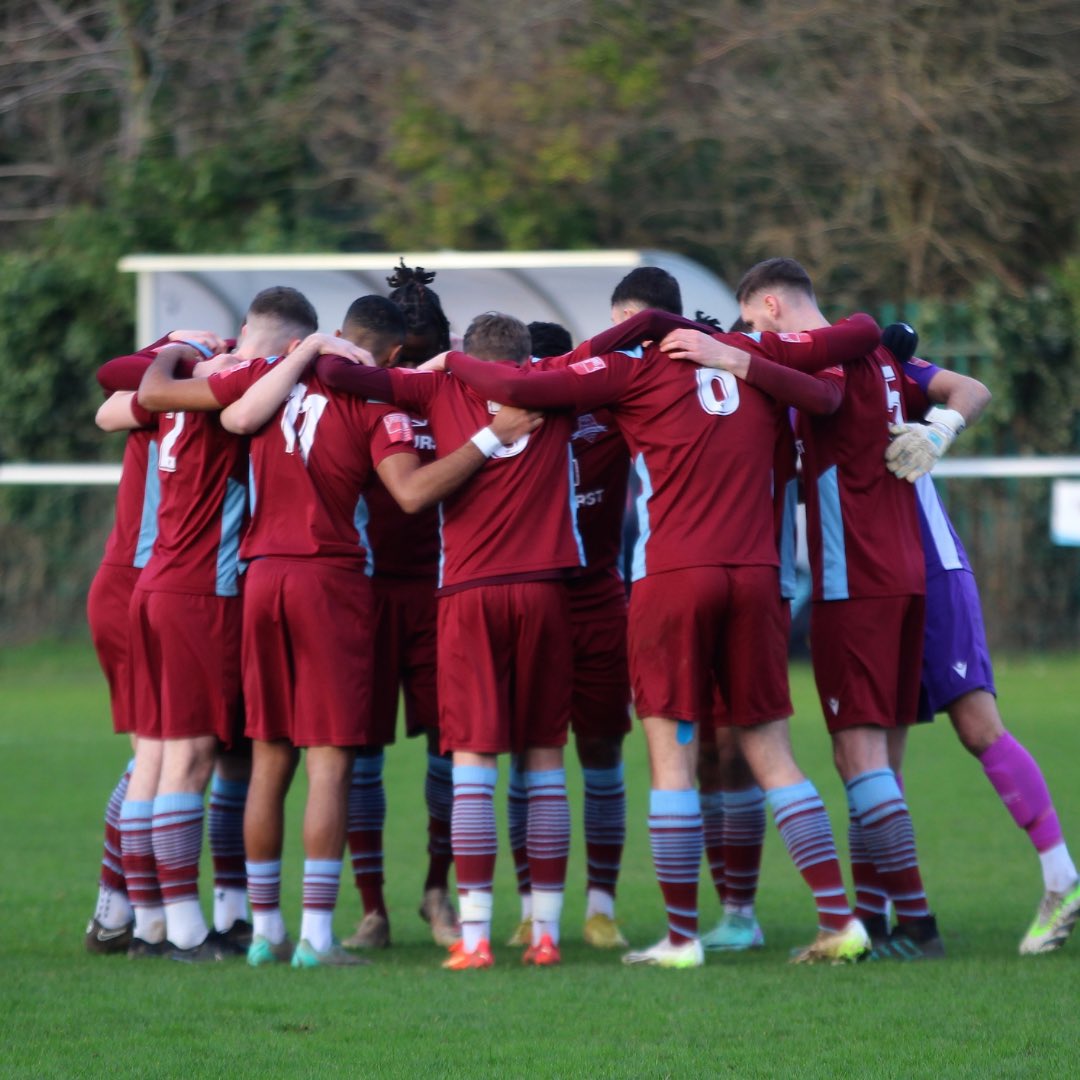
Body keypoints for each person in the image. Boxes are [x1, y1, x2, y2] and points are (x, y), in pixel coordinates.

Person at [436, 303, 882, 968]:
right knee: (771, 752)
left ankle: (680, 938)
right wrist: (742, 358)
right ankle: (839, 920)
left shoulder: (633, 371)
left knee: (672, 755)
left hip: (674, 577)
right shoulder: (755, 359)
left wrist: (453, 359)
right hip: (757, 576)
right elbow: (832, 381)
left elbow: (520, 388)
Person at [178, 295, 536, 968]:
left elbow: (213, 409)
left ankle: (264, 933)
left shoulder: (272, 378)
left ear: (339, 336)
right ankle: (316, 936)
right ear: (392, 357)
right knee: (331, 762)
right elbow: (409, 494)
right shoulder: (376, 406)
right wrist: (490, 440)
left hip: (259, 577)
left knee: (270, 759)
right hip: (329, 580)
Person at [683, 256, 942, 959]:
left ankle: (915, 922)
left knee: (858, 756)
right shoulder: (876, 355)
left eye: (747, 323)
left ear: (769, 306)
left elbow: (823, 399)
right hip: (902, 567)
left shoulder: (832, 355)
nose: (746, 335)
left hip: (852, 573)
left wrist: (730, 359)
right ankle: (878, 917)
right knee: (878, 757)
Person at [317, 312, 576, 970]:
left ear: (465, 352)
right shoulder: (557, 384)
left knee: (472, 770)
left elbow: (339, 372)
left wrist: (441, 368)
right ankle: (544, 932)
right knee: (545, 763)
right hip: (546, 589)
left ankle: (478, 936)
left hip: (468, 594)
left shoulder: (438, 391)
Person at [94, 288, 321, 959]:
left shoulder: (188, 376)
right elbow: (252, 407)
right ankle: (185, 926)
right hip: (203, 593)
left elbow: (116, 402)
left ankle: (148, 923)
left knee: (156, 759)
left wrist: (176, 349)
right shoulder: (244, 381)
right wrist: (309, 352)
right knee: (191, 759)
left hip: (155, 585)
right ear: (282, 346)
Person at [882, 323, 1080, 955]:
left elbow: (969, 387)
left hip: (931, 571)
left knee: (977, 725)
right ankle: (896, 916)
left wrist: (938, 428)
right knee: (874, 750)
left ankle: (1061, 877)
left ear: (770, 305)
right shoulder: (782, 380)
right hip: (867, 586)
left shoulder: (876, 364)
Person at [83, 328, 224, 954]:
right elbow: (109, 397)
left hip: (141, 581)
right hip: (151, 583)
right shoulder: (176, 394)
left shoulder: (166, 398)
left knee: (153, 758)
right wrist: (177, 346)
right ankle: (144, 917)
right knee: (165, 758)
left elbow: (110, 404)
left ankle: (126, 915)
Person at [503, 318, 633, 952]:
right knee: (530, 753)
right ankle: (532, 905)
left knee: (603, 749)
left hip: (601, 598)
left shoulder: (612, 420)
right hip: (535, 598)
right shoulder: (508, 427)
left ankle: (601, 907)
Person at [341, 272, 461, 951]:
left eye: (421, 354)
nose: (405, 368)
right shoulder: (349, 393)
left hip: (442, 592)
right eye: (399, 354)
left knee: (451, 747)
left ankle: (436, 893)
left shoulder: (455, 397)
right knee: (361, 753)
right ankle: (372, 908)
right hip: (362, 592)